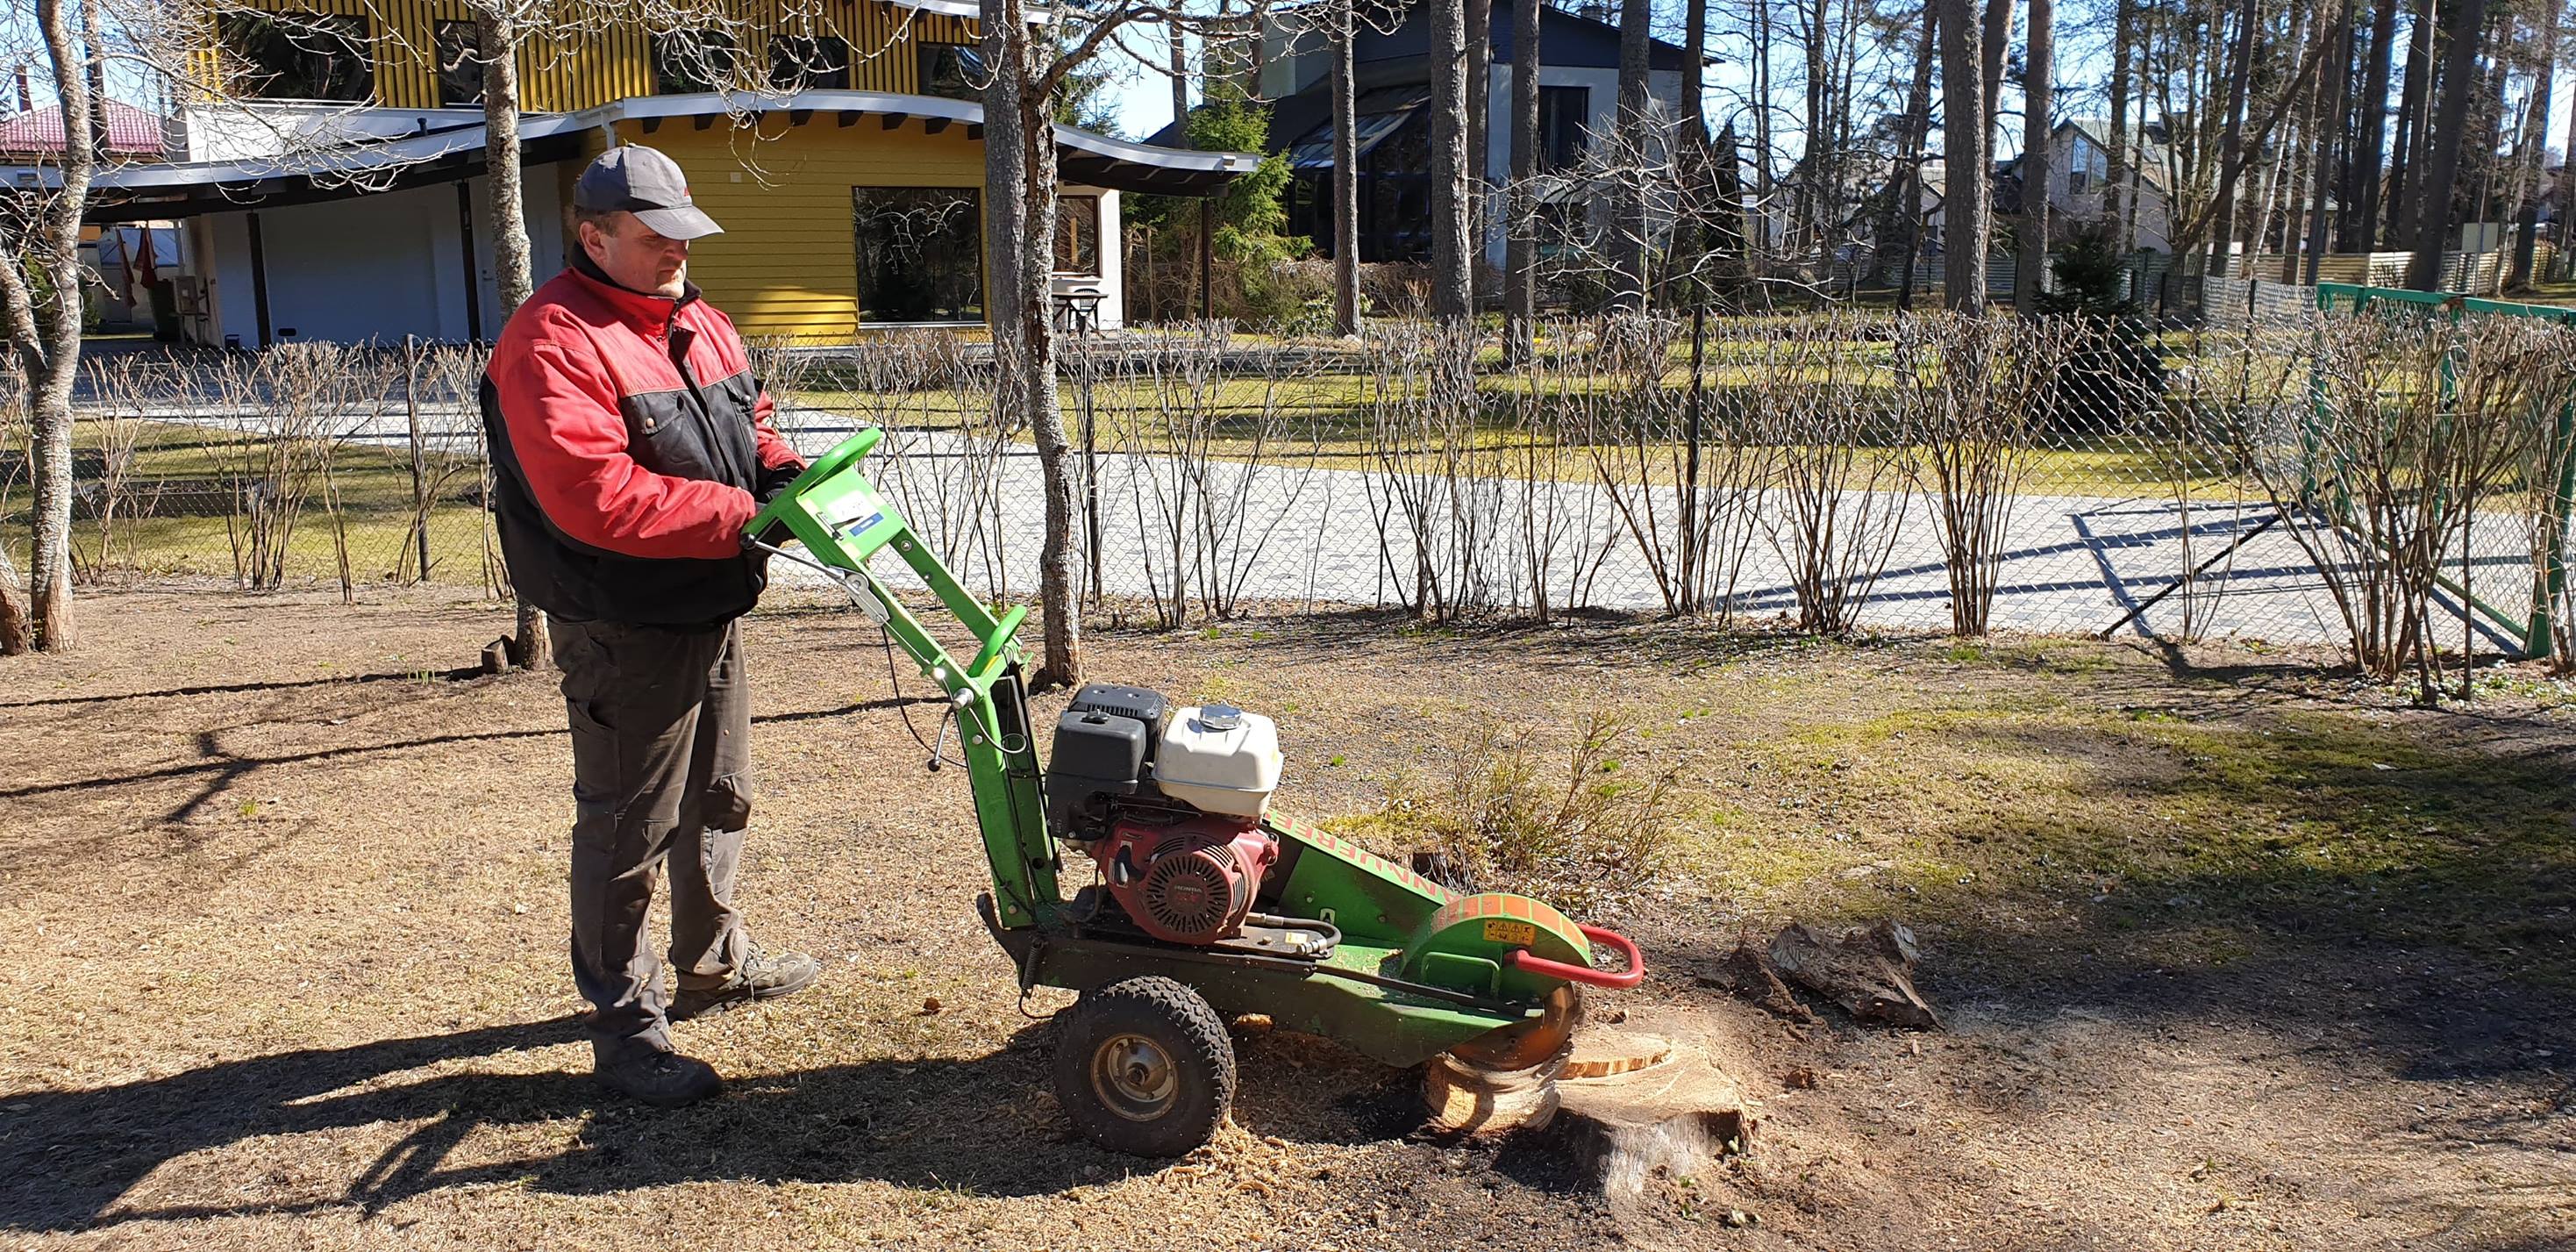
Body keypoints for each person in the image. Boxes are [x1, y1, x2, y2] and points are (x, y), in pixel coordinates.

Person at [481, 145, 819, 1106]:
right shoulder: (552, 340)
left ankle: (711, 958)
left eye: (683, 233)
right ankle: (626, 1029)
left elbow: (749, 420)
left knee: (720, 792)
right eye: (654, 235)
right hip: (622, 618)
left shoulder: (696, 318)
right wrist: (745, 516)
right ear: (593, 239)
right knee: (628, 824)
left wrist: (785, 473)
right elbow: (594, 496)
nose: (677, 249)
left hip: (710, 595)